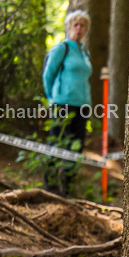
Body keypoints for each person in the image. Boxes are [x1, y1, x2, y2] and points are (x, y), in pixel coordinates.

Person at [42, 10, 93, 197]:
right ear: (69, 27)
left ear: (86, 29)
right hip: (62, 104)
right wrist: (52, 98)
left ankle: (68, 187)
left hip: (83, 105)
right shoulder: (61, 49)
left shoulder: (84, 52)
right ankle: (50, 185)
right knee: (57, 143)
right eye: (75, 25)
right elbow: (48, 75)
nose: (79, 28)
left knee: (77, 146)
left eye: (82, 25)